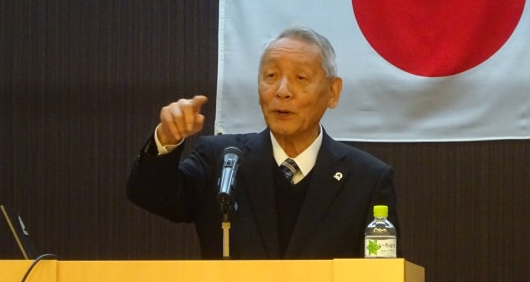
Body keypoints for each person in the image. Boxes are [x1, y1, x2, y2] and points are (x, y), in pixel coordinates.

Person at [127, 26, 399, 259]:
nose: (282, 91)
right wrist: (166, 139)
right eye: (271, 76)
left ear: (333, 92)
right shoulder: (222, 160)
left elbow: (381, 281)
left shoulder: (366, 179)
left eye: (300, 78)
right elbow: (150, 195)